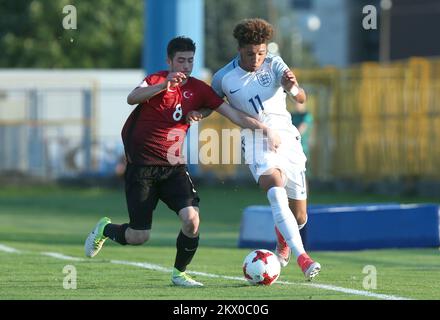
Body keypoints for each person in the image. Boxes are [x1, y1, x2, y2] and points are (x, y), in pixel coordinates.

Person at [83, 36, 280, 287]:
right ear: (169, 61)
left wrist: (265, 129)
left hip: (173, 168)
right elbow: (132, 98)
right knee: (138, 236)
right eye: (181, 60)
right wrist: (163, 85)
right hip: (141, 169)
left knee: (191, 219)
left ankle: (179, 273)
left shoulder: (199, 89)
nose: (186, 66)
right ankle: (106, 229)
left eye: (190, 61)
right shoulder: (157, 79)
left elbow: (234, 115)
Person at [210, 18, 321, 280]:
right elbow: (210, 103)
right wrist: (195, 109)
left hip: (287, 138)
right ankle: (303, 257)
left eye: (261, 52)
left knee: (300, 216)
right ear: (239, 49)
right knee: (274, 187)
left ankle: (283, 241)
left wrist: (292, 86)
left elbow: (301, 97)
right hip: (256, 139)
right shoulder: (223, 77)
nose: (257, 58)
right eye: (251, 54)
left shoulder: (274, 63)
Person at [290, 101, 313, 165]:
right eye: (296, 102)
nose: (297, 105)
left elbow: (301, 130)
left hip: (303, 148)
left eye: (299, 103)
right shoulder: (292, 115)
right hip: (291, 149)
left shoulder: (307, 116)